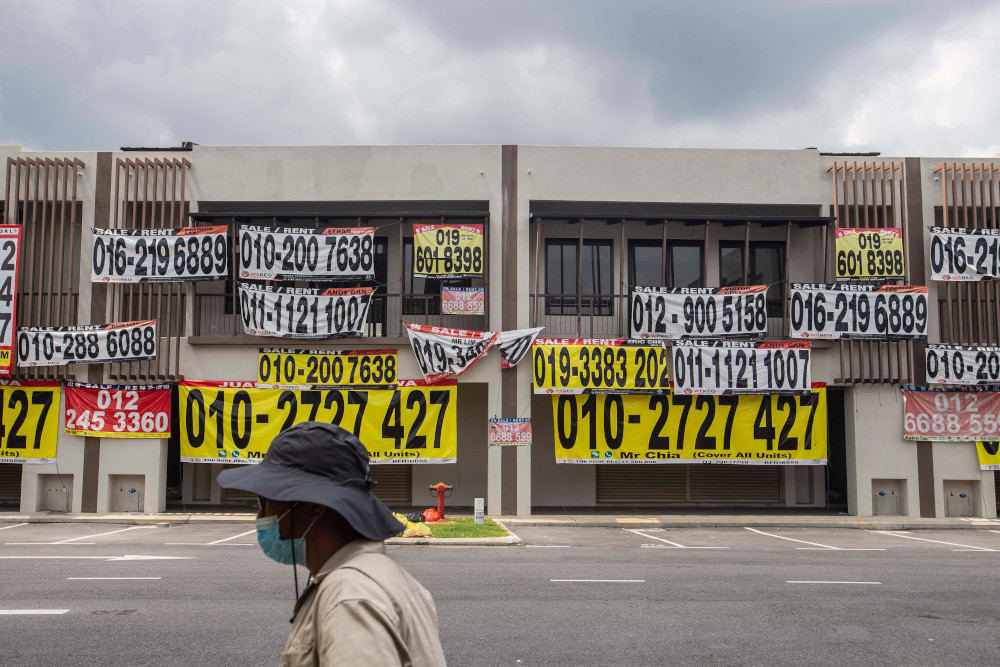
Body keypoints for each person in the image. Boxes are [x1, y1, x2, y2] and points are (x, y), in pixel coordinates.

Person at [218, 422, 447, 667]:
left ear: (316, 506)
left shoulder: (350, 600)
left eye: (266, 502)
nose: (261, 516)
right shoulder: (377, 579)